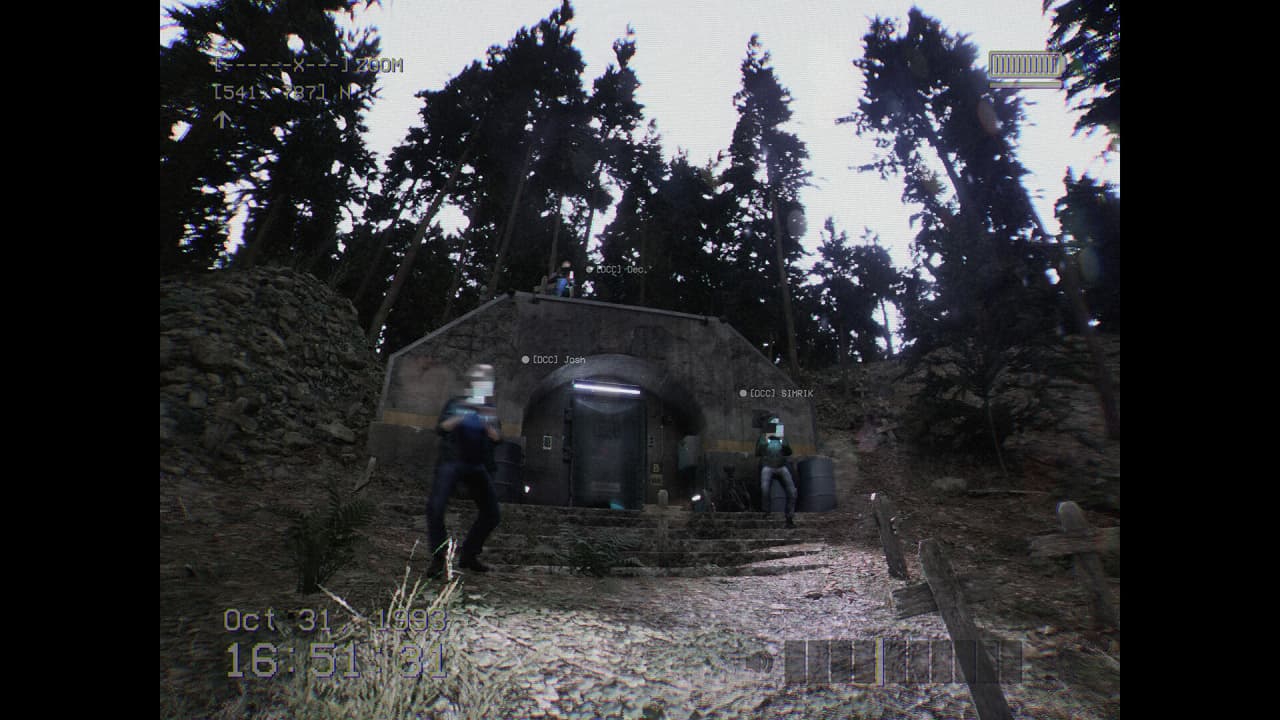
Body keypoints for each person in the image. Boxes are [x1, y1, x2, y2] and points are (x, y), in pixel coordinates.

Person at [427, 364, 503, 577]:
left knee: (492, 514)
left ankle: (469, 555)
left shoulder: (489, 409)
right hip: (452, 461)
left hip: (477, 465)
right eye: (479, 380)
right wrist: (462, 415)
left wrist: (486, 422)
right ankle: (439, 558)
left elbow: (498, 438)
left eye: (487, 381)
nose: (483, 384)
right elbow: (441, 428)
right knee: (435, 508)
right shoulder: (456, 403)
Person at [756, 415, 796, 528]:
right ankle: (766, 512)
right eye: (774, 423)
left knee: (792, 491)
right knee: (764, 489)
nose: (776, 425)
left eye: (778, 423)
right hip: (767, 466)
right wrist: (767, 438)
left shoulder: (782, 437)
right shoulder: (763, 436)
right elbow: (758, 451)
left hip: (781, 466)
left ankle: (789, 518)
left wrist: (782, 440)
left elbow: (789, 451)